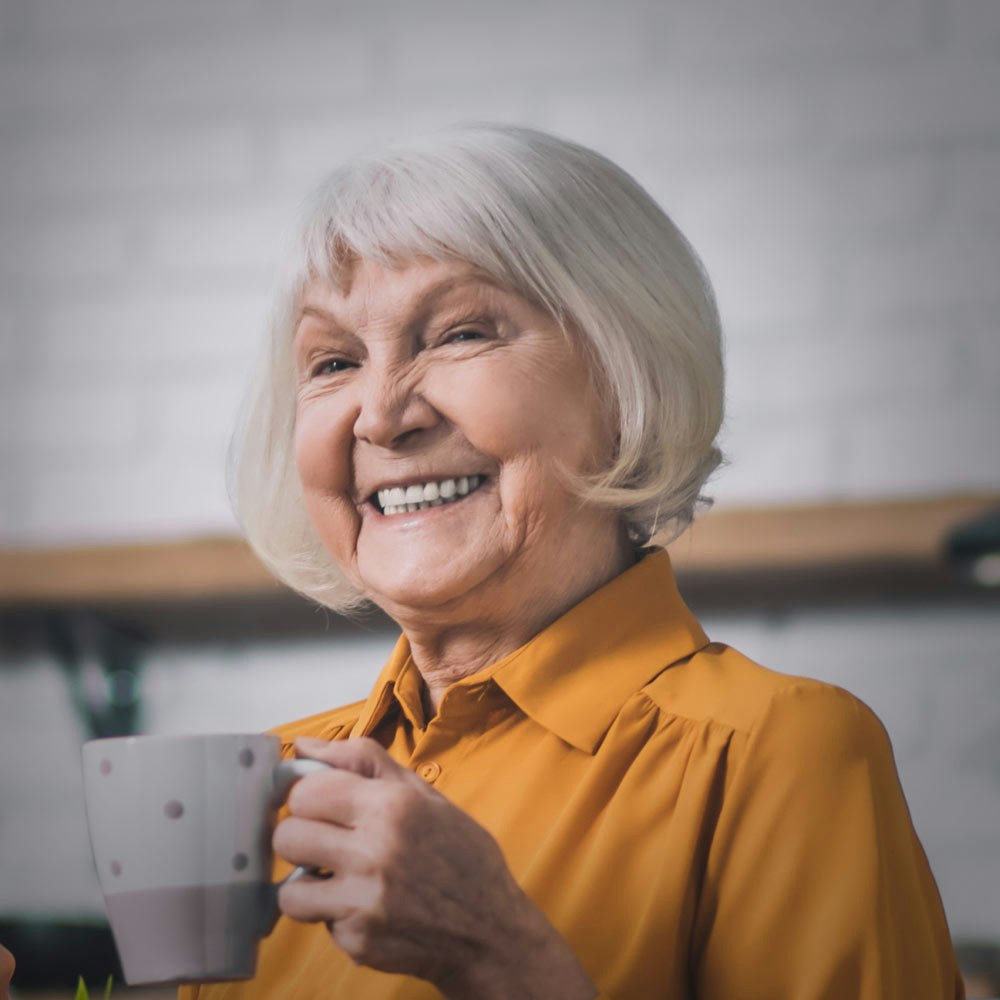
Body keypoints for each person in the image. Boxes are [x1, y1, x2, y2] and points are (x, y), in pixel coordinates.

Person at [180, 125, 964, 999]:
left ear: (628, 381)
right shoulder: (267, 780)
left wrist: (499, 959)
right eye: (333, 361)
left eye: (459, 334)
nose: (381, 416)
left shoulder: (775, 753)